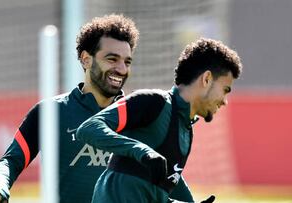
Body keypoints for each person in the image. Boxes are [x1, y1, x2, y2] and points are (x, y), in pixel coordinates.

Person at [0, 14, 194, 203]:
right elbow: (10, 162)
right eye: (112, 59)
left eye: (127, 61)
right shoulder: (50, 112)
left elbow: (166, 175)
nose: (121, 69)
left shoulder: (142, 114)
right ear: (86, 59)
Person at [76, 37, 243, 203]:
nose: (224, 101)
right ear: (206, 79)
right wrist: (143, 152)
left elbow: (158, 194)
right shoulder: (153, 102)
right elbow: (89, 128)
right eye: (225, 90)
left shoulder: (186, 130)